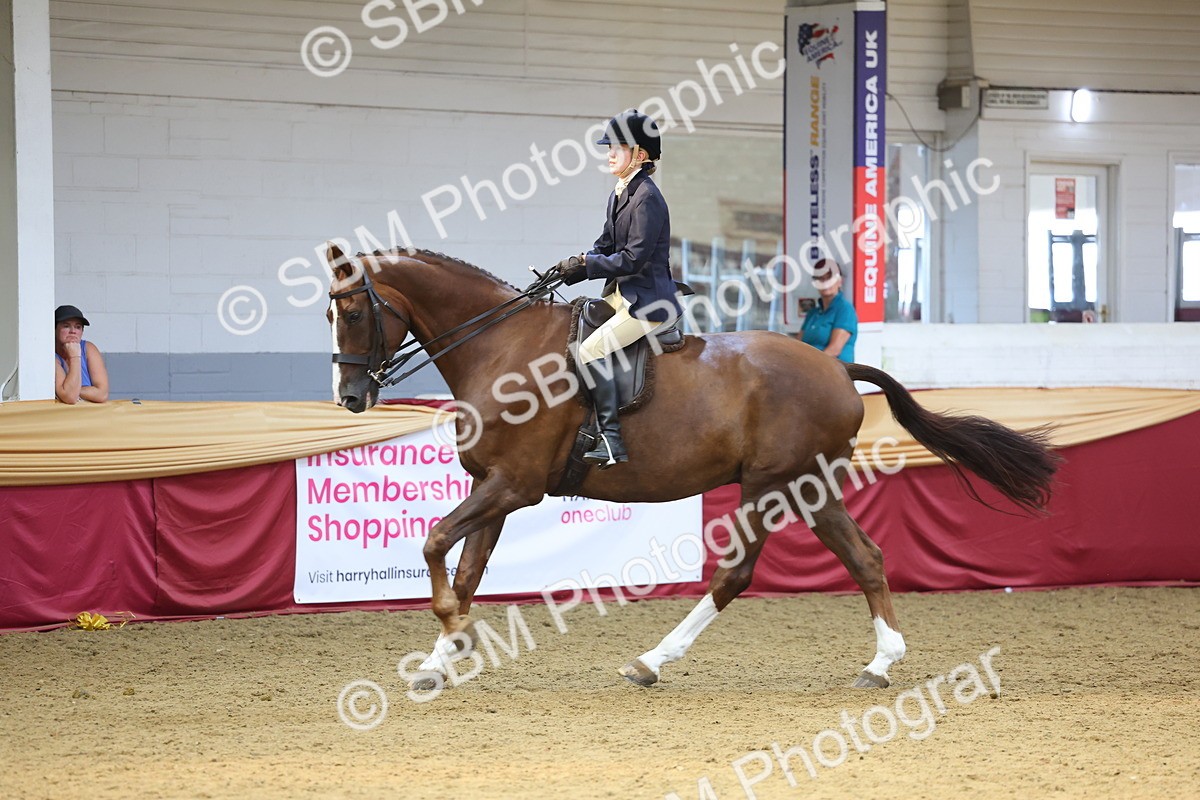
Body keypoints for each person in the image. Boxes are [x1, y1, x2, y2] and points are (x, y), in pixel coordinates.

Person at [549, 108, 682, 468]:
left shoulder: (647, 198)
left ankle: (610, 440)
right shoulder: (621, 193)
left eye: (617, 147)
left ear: (639, 154)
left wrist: (590, 266)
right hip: (622, 296)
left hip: (649, 303)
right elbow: (606, 244)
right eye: (608, 147)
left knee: (589, 351)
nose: (609, 153)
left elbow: (633, 259)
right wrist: (576, 264)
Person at [799, 259, 857, 363]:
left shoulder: (845, 309)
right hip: (807, 370)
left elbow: (834, 350)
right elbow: (797, 344)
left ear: (839, 282)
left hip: (833, 373)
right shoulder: (812, 313)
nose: (825, 282)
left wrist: (808, 366)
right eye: (820, 279)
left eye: (829, 278)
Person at [54, 304, 109, 404]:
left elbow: (102, 394)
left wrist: (72, 390)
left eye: (78, 327)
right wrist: (75, 357)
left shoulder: (88, 348)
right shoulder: (50, 355)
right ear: (54, 329)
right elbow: (70, 397)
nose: (73, 331)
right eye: (66, 326)